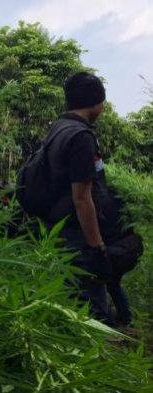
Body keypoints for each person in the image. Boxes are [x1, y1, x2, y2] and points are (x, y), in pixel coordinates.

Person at [42, 72, 139, 327]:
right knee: (93, 309)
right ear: (96, 102)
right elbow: (82, 198)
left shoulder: (58, 129)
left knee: (78, 303)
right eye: (102, 101)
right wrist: (97, 248)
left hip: (61, 229)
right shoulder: (81, 137)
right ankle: (101, 352)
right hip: (79, 236)